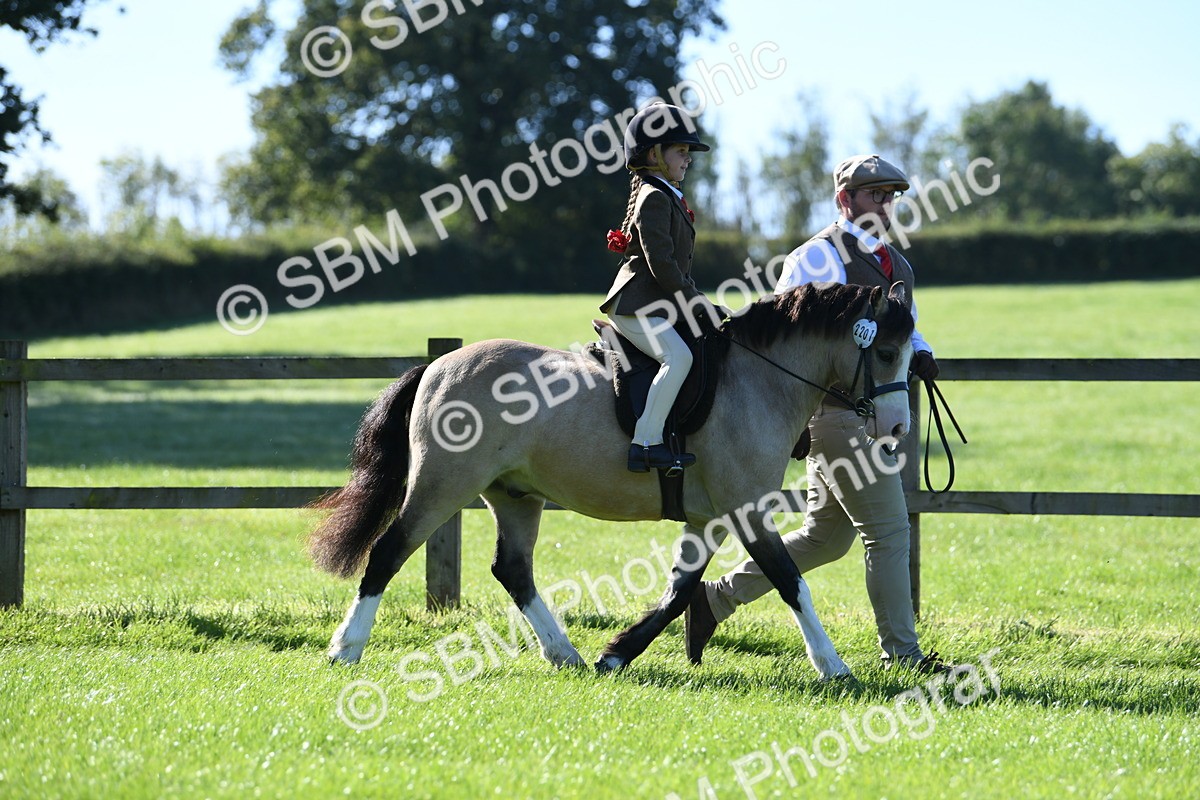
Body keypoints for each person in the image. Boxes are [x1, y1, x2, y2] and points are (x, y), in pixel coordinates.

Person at [684, 154, 950, 672]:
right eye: (875, 195)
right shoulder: (817, 258)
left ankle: (712, 599)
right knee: (890, 530)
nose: (886, 206)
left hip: (866, 412)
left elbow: (902, 327)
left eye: (891, 197)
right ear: (844, 200)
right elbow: (782, 333)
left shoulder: (899, 266)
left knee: (824, 537)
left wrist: (921, 349)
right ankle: (903, 654)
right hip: (837, 416)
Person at [602, 102, 723, 473]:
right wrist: (698, 304)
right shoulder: (654, 197)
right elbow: (663, 267)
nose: (688, 159)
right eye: (681, 151)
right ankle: (645, 442)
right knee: (679, 357)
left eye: (688, 152)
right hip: (635, 306)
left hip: (655, 304)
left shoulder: (665, 193)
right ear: (654, 154)